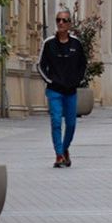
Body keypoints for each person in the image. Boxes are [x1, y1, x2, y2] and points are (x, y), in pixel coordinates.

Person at [38, 10, 87, 167]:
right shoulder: (49, 43)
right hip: (54, 91)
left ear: (69, 24)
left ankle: (64, 148)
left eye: (64, 20)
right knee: (56, 121)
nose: (61, 23)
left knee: (71, 124)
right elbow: (40, 65)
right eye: (58, 20)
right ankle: (59, 155)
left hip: (71, 91)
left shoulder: (76, 44)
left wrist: (78, 80)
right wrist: (49, 80)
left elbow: (83, 65)